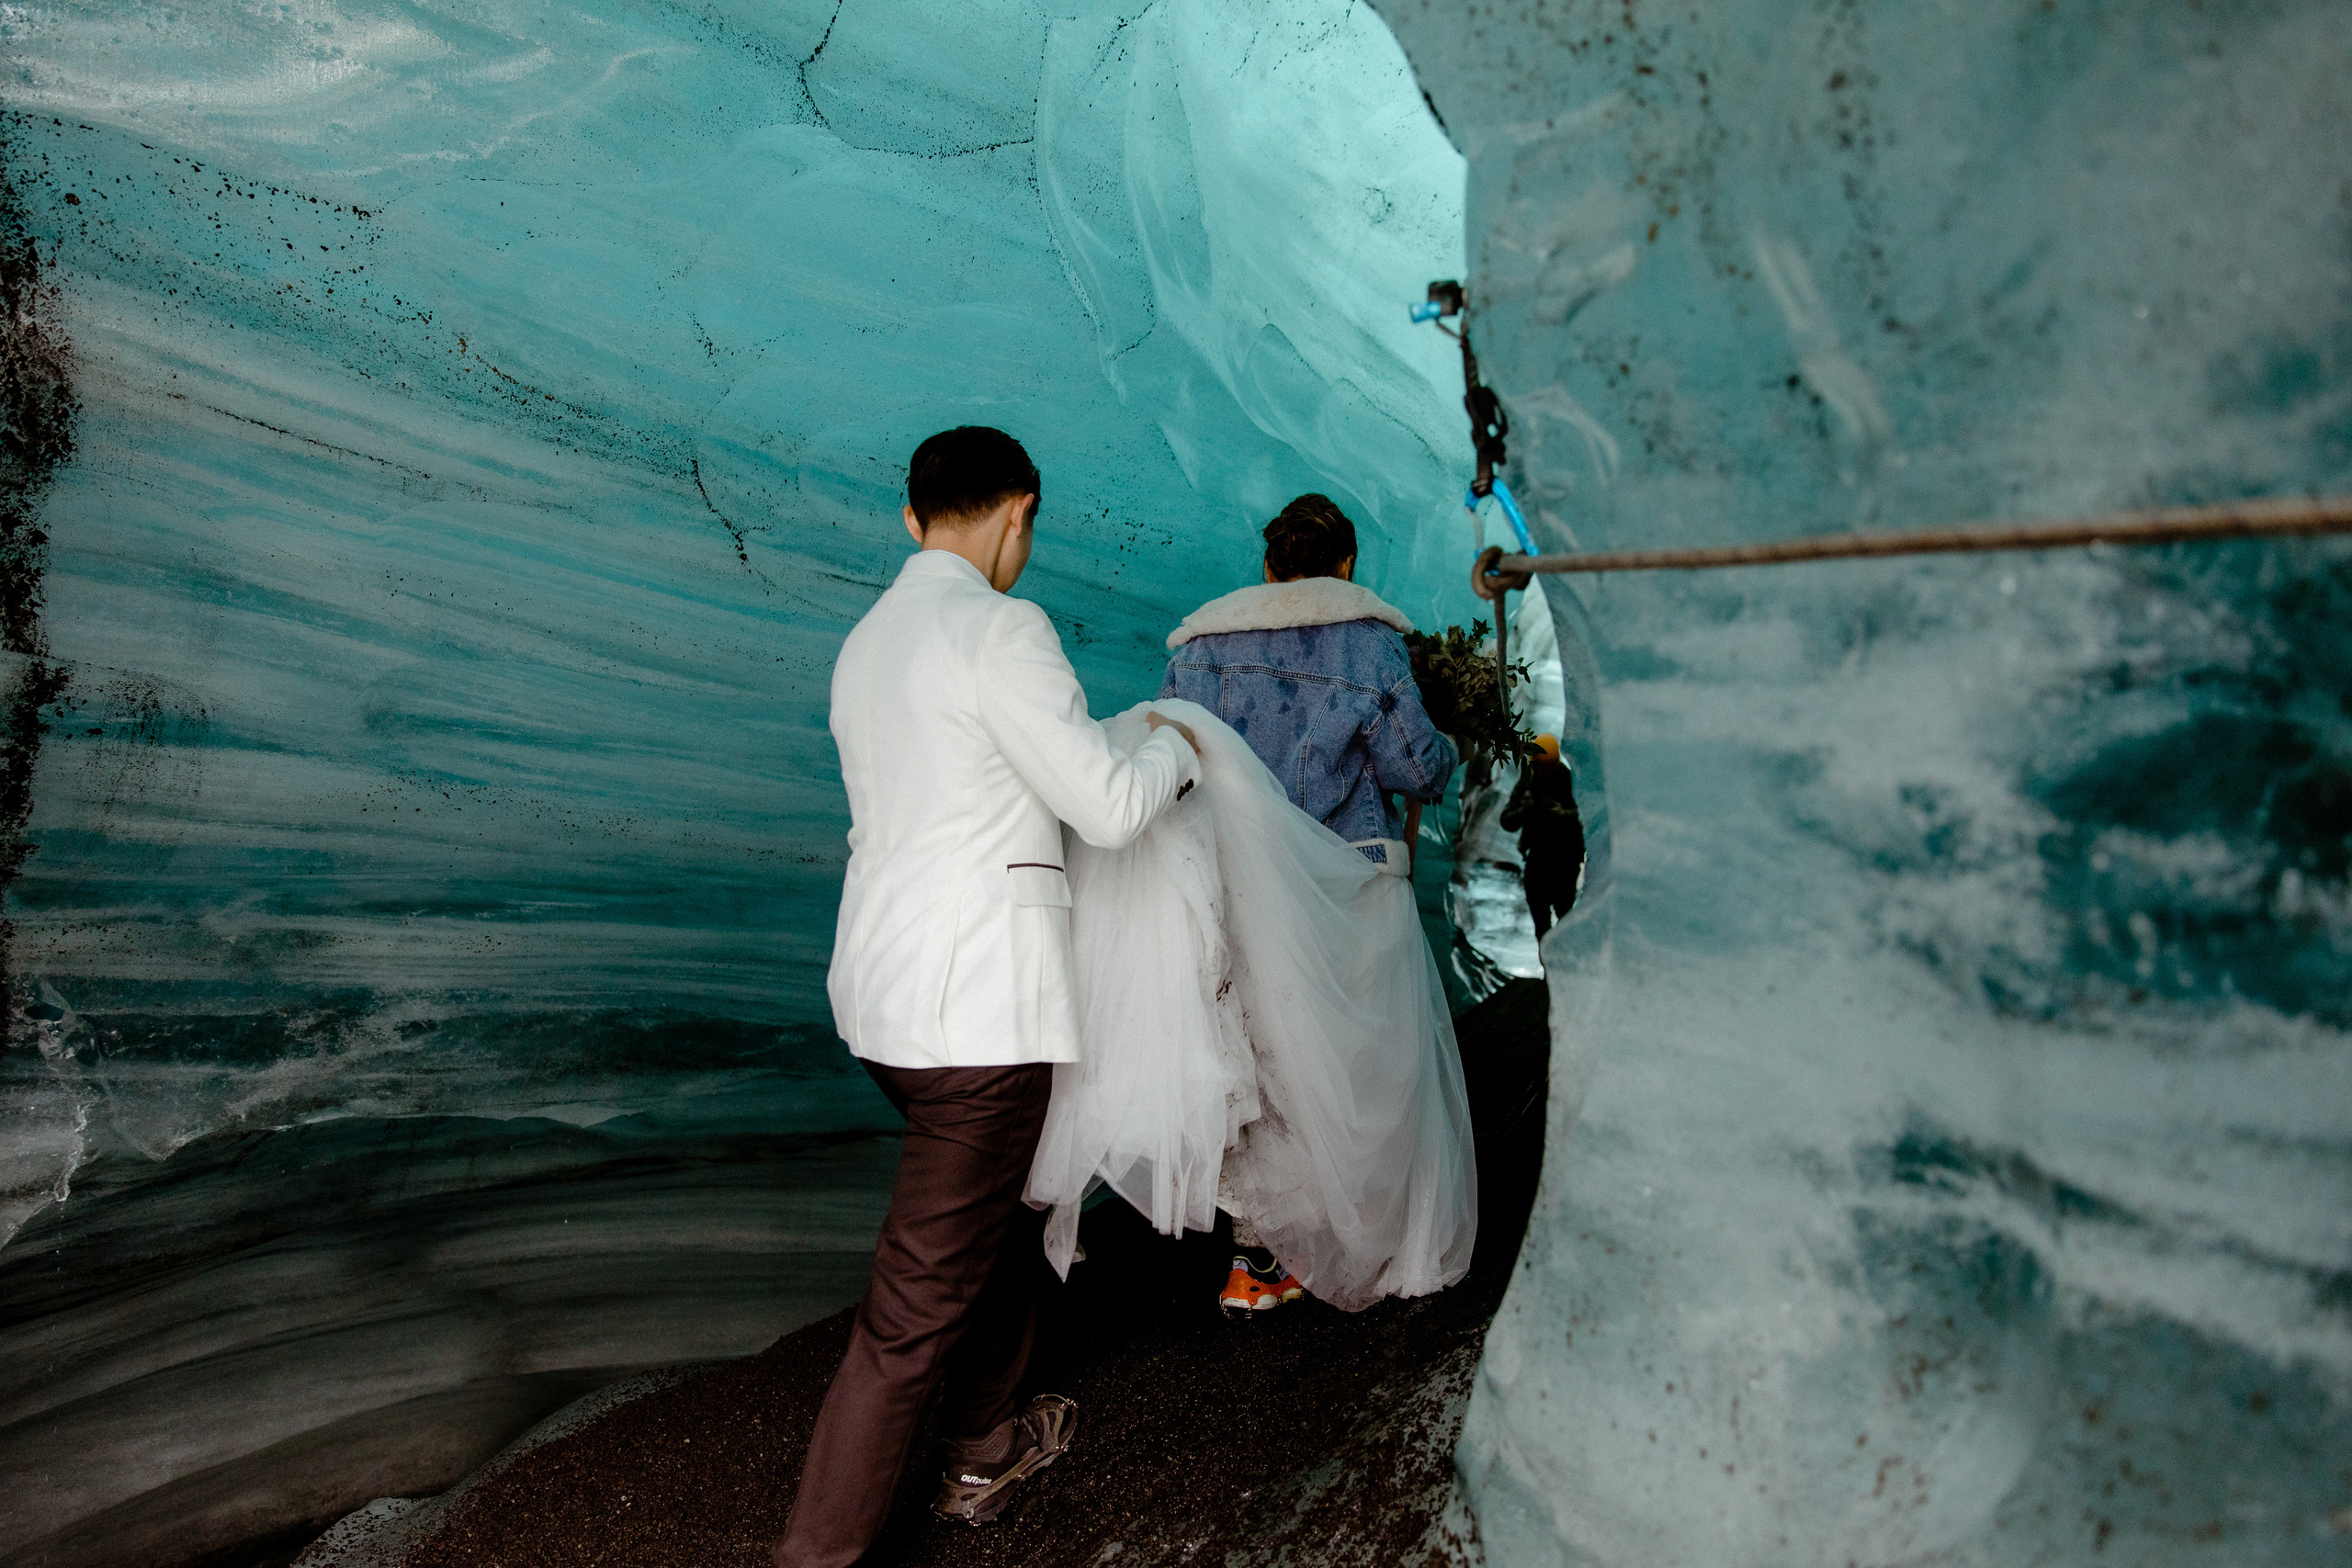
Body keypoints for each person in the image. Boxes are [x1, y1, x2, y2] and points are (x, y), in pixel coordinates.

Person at [775, 426, 1202, 1566]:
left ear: (910, 521)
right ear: (1020, 512)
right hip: (980, 1018)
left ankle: (988, 1438)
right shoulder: (1002, 629)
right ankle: (820, 1552)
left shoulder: (866, 643)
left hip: (885, 1003)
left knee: (1004, 1208)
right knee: (909, 1315)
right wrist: (1173, 751)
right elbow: (1107, 807)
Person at [1155, 493, 1460, 1313]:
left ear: (1268, 566)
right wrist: (1453, 739)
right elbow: (1417, 770)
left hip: (1238, 884)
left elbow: (1174, 767)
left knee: (1263, 1062)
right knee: (1357, 1061)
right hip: (1345, 880)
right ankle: (1357, 1237)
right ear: (1349, 565)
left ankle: (1258, 1261)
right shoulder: (1369, 645)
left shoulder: (1199, 650)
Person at [1500, 732, 1585, 942]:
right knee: (1540, 917)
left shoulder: (1570, 780)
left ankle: (1563, 962)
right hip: (1539, 856)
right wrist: (1526, 809)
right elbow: (1507, 821)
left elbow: (1587, 817)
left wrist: (1562, 814)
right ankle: (1549, 966)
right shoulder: (1529, 779)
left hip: (1566, 856)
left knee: (1562, 907)